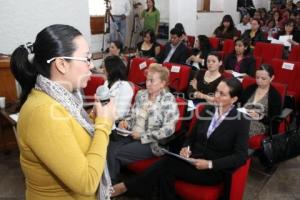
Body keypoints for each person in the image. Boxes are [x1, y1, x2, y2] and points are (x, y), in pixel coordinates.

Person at [10, 24, 117, 199]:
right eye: (87, 58)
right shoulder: (43, 112)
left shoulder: (62, 99)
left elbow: (69, 135)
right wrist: (104, 125)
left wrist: (94, 118)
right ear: (61, 64)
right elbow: (86, 182)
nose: (91, 66)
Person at [111, 78, 250, 200]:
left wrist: (209, 164)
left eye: (222, 94)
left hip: (212, 170)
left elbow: (241, 156)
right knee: (166, 171)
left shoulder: (240, 121)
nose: (216, 96)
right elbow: (191, 137)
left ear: (234, 99)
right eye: (217, 91)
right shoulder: (207, 109)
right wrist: (186, 148)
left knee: (166, 165)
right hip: (192, 160)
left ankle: (126, 187)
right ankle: (148, 192)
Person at [107, 63, 179, 184]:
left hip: (152, 142)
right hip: (131, 134)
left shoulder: (168, 100)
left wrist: (143, 136)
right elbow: (132, 115)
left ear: (162, 83)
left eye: (152, 81)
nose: (148, 83)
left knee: (116, 152)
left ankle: (110, 186)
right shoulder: (141, 95)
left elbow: (168, 130)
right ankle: (109, 183)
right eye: (147, 80)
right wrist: (125, 123)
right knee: (109, 145)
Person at [240, 64, 282, 137]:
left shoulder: (275, 96)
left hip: (260, 123)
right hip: (242, 117)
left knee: (240, 128)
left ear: (272, 78)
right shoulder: (250, 88)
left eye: (263, 78)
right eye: (257, 77)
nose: (259, 81)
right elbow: (240, 103)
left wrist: (259, 116)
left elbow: (274, 119)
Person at [102, 55, 133, 120]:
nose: (103, 70)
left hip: (115, 123)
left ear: (111, 69)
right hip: (103, 118)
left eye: (104, 67)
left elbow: (119, 115)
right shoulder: (107, 82)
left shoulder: (125, 87)